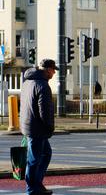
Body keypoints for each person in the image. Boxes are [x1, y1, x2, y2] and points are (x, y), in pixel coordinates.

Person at [20, 59, 58, 195]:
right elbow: (45, 111)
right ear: (47, 70)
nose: (54, 73)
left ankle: (37, 184)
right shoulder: (42, 85)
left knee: (45, 153)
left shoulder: (27, 82)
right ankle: (32, 188)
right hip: (37, 128)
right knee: (34, 159)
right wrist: (50, 127)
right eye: (53, 70)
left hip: (28, 125)